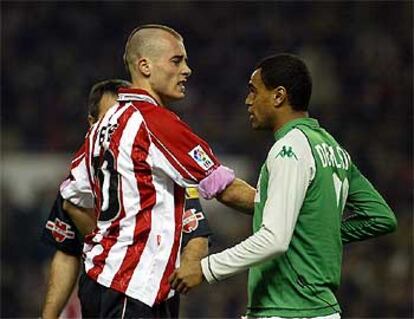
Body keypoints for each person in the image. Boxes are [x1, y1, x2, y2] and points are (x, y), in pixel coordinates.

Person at [169, 53, 398, 318]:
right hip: (322, 310)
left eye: (254, 91)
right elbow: (382, 217)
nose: (248, 100)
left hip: (288, 308)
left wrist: (206, 268)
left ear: (279, 96)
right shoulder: (333, 149)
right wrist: (313, 234)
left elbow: (274, 240)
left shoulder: (289, 148)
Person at [59, 24, 255, 318]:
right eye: (177, 60)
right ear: (145, 66)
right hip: (132, 286)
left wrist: (108, 243)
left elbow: (73, 197)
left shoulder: (103, 124)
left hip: (100, 281)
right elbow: (225, 188)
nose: (187, 70)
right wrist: (286, 208)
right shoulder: (154, 121)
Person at [41, 79, 213, 318]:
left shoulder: (161, 174)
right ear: (93, 124)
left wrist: (192, 262)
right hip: (107, 293)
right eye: (114, 117)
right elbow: (67, 252)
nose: (122, 122)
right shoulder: (78, 182)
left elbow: (196, 232)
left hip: (149, 294)